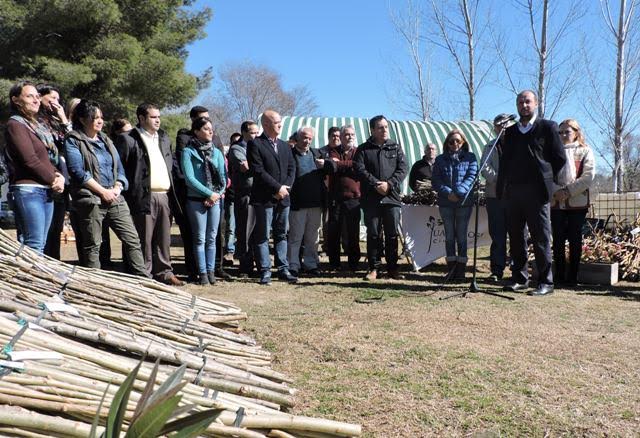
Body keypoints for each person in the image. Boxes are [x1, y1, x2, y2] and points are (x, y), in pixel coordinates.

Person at [64, 100, 146, 275]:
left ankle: (144, 280)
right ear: (82, 119)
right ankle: (95, 284)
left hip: (115, 196)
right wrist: (102, 192)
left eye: (101, 117)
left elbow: (120, 169)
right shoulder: (73, 140)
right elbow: (78, 171)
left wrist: (117, 187)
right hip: (91, 199)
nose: (100, 121)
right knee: (93, 245)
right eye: (94, 117)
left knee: (132, 240)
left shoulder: (106, 140)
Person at [497, 90, 566, 296]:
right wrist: (503, 189)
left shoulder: (547, 127)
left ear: (535, 103)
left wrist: (549, 184)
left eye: (527, 101)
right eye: (520, 102)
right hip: (514, 193)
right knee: (516, 237)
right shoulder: (509, 133)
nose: (524, 105)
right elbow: (505, 163)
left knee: (541, 237)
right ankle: (520, 278)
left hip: (537, 193)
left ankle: (546, 282)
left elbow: (559, 158)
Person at [115, 103, 184, 286]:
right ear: (142, 118)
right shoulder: (128, 139)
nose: (158, 120)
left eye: (158, 116)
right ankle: (143, 275)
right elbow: (120, 168)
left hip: (164, 195)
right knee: (143, 239)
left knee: (164, 238)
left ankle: (165, 272)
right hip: (143, 196)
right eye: (153, 117)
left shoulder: (163, 138)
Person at [4, 81, 65, 253]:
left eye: (37, 96)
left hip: (45, 190)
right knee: (34, 245)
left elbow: (46, 159)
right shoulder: (15, 125)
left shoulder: (37, 128)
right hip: (28, 191)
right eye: (30, 96)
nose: (36, 100)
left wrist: (59, 176)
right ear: (16, 100)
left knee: (40, 244)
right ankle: (24, 280)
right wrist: (54, 179)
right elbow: (29, 160)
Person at [353, 115, 408, 280]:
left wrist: (389, 184)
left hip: (391, 198)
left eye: (386, 127)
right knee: (374, 234)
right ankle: (374, 268)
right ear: (372, 130)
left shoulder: (395, 147)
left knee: (392, 234)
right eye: (380, 127)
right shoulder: (363, 149)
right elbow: (360, 169)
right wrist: (377, 184)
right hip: (372, 199)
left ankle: (392, 268)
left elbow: (403, 168)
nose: (384, 130)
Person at [247, 109, 297, 285]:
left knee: (281, 234)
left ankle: (283, 268)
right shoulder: (255, 144)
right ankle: (265, 270)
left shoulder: (284, 145)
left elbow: (292, 168)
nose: (280, 125)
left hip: (284, 198)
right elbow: (258, 170)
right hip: (264, 198)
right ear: (266, 124)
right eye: (277, 122)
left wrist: (285, 189)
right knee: (262, 235)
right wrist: (277, 188)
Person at [181, 117, 226, 285]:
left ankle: (211, 270)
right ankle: (202, 273)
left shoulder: (217, 152)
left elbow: (223, 178)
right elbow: (189, 178)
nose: (210, 131)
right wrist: (209, 193)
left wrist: (216, 195)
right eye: (206, 129)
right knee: (199, 238)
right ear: (197, 131)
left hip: (215, 200)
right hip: (196, 200)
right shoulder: (188, 152)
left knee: (212, 237)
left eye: (211, 128)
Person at [551, 119, 596, 286]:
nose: (563, 135)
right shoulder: (552, 152)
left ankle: (573, 276)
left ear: (576, 132)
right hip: (556, 202)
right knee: (558, 239)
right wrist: (556, 191)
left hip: (576, 202)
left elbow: (588, 177)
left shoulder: (585, 151)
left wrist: (568, 191)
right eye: (560, 132)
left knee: (575, 239)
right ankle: (559, 275)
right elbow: (547, 175)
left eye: (567, 132)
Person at [287, 126, 335, 277]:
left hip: (316, 203)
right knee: (295, 236)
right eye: (304, 138)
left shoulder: (317, 153)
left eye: (310, 138)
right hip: (298, 203)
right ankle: (293, 265)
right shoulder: (290, 154)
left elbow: (333, 167)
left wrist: (326, 163)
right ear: (298, 138)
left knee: (312, 237)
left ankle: (310, 264)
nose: (307, 141)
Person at [432, 129, 478, 281]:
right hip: (446, 203)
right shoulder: (439, 160)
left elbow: (471, 176)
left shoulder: (470, 158)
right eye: (451, 141)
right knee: (449, 236)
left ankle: (461, 271)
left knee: (462, 237)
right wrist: (448, 193)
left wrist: (458, 192)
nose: (455, 144)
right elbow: (436, 180)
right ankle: (451, 270)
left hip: (464, 202)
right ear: (447, 144)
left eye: (458, 141)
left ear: (463, 142)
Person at [173, 105, 209, 282]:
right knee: (191, 233)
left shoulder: (213, 138)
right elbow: (183, 169)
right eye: (202, 119)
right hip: (190, 193)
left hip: (212, 195)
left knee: (212, 234)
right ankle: (193, 269)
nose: (206, 122)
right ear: (194, 120)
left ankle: (212, 268)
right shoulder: (184, 139)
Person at [37, 84, 72, 260]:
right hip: (42, 182)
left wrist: (64, 120)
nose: (56, 103)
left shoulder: (57, 122)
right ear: (40, 97)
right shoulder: (34, 121)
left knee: (55, 231)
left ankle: (54, 266)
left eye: (59, 100)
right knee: (40, 234)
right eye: (53, 98)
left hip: (60, 184)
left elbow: (73, 143)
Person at [326, 124, 361, 271]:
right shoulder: (333, 151)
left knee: (353, 233)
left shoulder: (359, 152)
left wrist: (340, 165)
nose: (350, 137)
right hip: (336, 198)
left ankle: (353, 263)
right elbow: (332, 166)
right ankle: (334, 264)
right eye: (347, 134)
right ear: (341, 137)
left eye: (352, 134)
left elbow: (358, 166)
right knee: (334, 233)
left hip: (354, 199)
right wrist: (349, 165)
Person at [480, 115, 511, 282]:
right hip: (495, 196)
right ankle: (497, 270)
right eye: (499, 125)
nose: (503, 127)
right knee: (498, 235)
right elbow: (484, 167)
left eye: (506, 124)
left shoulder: (518, 144)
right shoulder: (489, 146)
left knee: (517, 234)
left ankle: (517, 270)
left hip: (516, 197)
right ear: (495, 128)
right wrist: (500, 179)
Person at [228, 120, 259, 276]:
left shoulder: (259, 147)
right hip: (244, 195)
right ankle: (245, 266)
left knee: (259, 232)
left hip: (259, 195)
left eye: (257, 132)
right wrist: (260, 167)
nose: (256, 135)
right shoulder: (236, 149)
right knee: (244, 232)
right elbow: (246, 167)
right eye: (253, 132)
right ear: (244, 133)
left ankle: (261, 265)